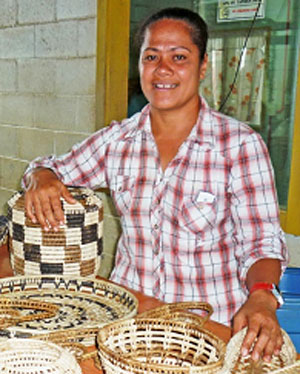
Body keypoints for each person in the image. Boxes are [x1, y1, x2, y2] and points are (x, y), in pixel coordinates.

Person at [22, 7, 288, 363]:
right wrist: (41, 177)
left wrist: (260, 296)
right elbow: (45, 168)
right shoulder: (117, 142)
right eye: (151, 57)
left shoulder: (238, 145)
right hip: (127, 328)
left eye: (179, 57)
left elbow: (262, 241)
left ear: (203, 65)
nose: (163, 69)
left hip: (209, 331)